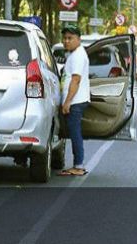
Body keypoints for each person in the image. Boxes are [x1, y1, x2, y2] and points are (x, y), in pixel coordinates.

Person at [59, 24, 90, 176]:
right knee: (73, 132)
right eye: (64, 38)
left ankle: (78, 165)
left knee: (75, 133)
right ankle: (78, 164)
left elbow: (76, 80)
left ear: (79, 39)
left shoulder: (78, 55)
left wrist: (67, 102)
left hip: (75, 101)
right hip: (75, 100)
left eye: (70, 38)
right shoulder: (74, 54)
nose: (66, 41)